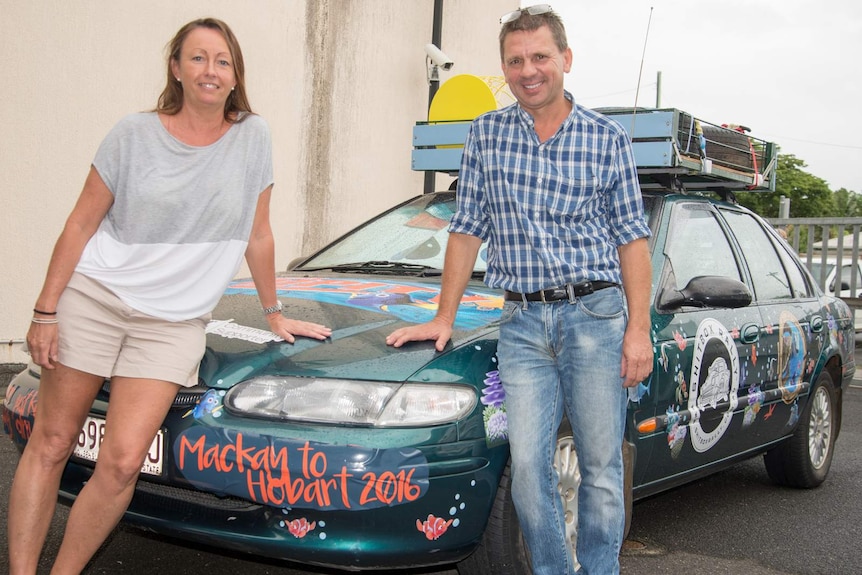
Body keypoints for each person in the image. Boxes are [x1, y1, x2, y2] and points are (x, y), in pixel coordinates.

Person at [8, 18, 331, 574]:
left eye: (222, 61)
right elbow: (81, 224)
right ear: (177, 69)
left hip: (172, 322)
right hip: (97, 299)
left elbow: (258, 232)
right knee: (54, 440)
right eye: (198, 58)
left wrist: (274, 311)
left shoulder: (254, 136)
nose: (211, 70)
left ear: (235, 77)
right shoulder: (133, 134)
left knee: (124, 461)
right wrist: (45, 309)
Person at [387, 5, 653, 575]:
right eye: (516, 60)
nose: (528, 70)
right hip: (524, 326)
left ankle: (600, 570)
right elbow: (466, 229)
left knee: (602, 466)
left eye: (540, 57)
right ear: (504, 68)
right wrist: (443, 316)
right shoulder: (486, 134)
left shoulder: (606, 138)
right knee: (529, 469)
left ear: (566, 60)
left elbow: (633, 240)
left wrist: (638, 329)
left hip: (596, 317)